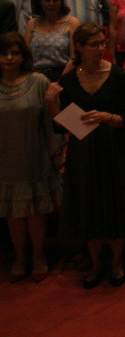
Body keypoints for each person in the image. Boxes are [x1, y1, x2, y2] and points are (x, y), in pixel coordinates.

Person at [45, 24, 125, 288]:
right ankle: (96, 263)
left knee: (114, 203)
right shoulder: (69, 80)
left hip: (112, 145)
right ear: (79, 47)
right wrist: (51, 103)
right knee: (88, 204)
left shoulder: (119, 75)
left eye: (102, 43)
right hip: (82, 148)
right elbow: (60, 125)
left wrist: (107, 117)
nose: (100, 49)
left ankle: (117, 262)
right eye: (94, 44)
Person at [0, 32, 60, 283]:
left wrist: (56, 153)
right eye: (4, 53)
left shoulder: (38, 81)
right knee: (13, 213)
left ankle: (37, 256)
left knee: (35, 211)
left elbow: (50, 122)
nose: (9, 58)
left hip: (34, 154)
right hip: (5, 158)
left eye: (15, 53)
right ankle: (19, 257)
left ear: (24, 56)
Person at [25, 0, 80, 81]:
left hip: (62, 76)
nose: (51, 4)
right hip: (34, 76)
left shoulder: (72, 23)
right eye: (47, 0)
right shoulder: (32, 23)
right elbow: (25, 55)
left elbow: (74, 57)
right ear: (40, 2)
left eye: (55, 0)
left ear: (61, 1)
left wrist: (61, 81)